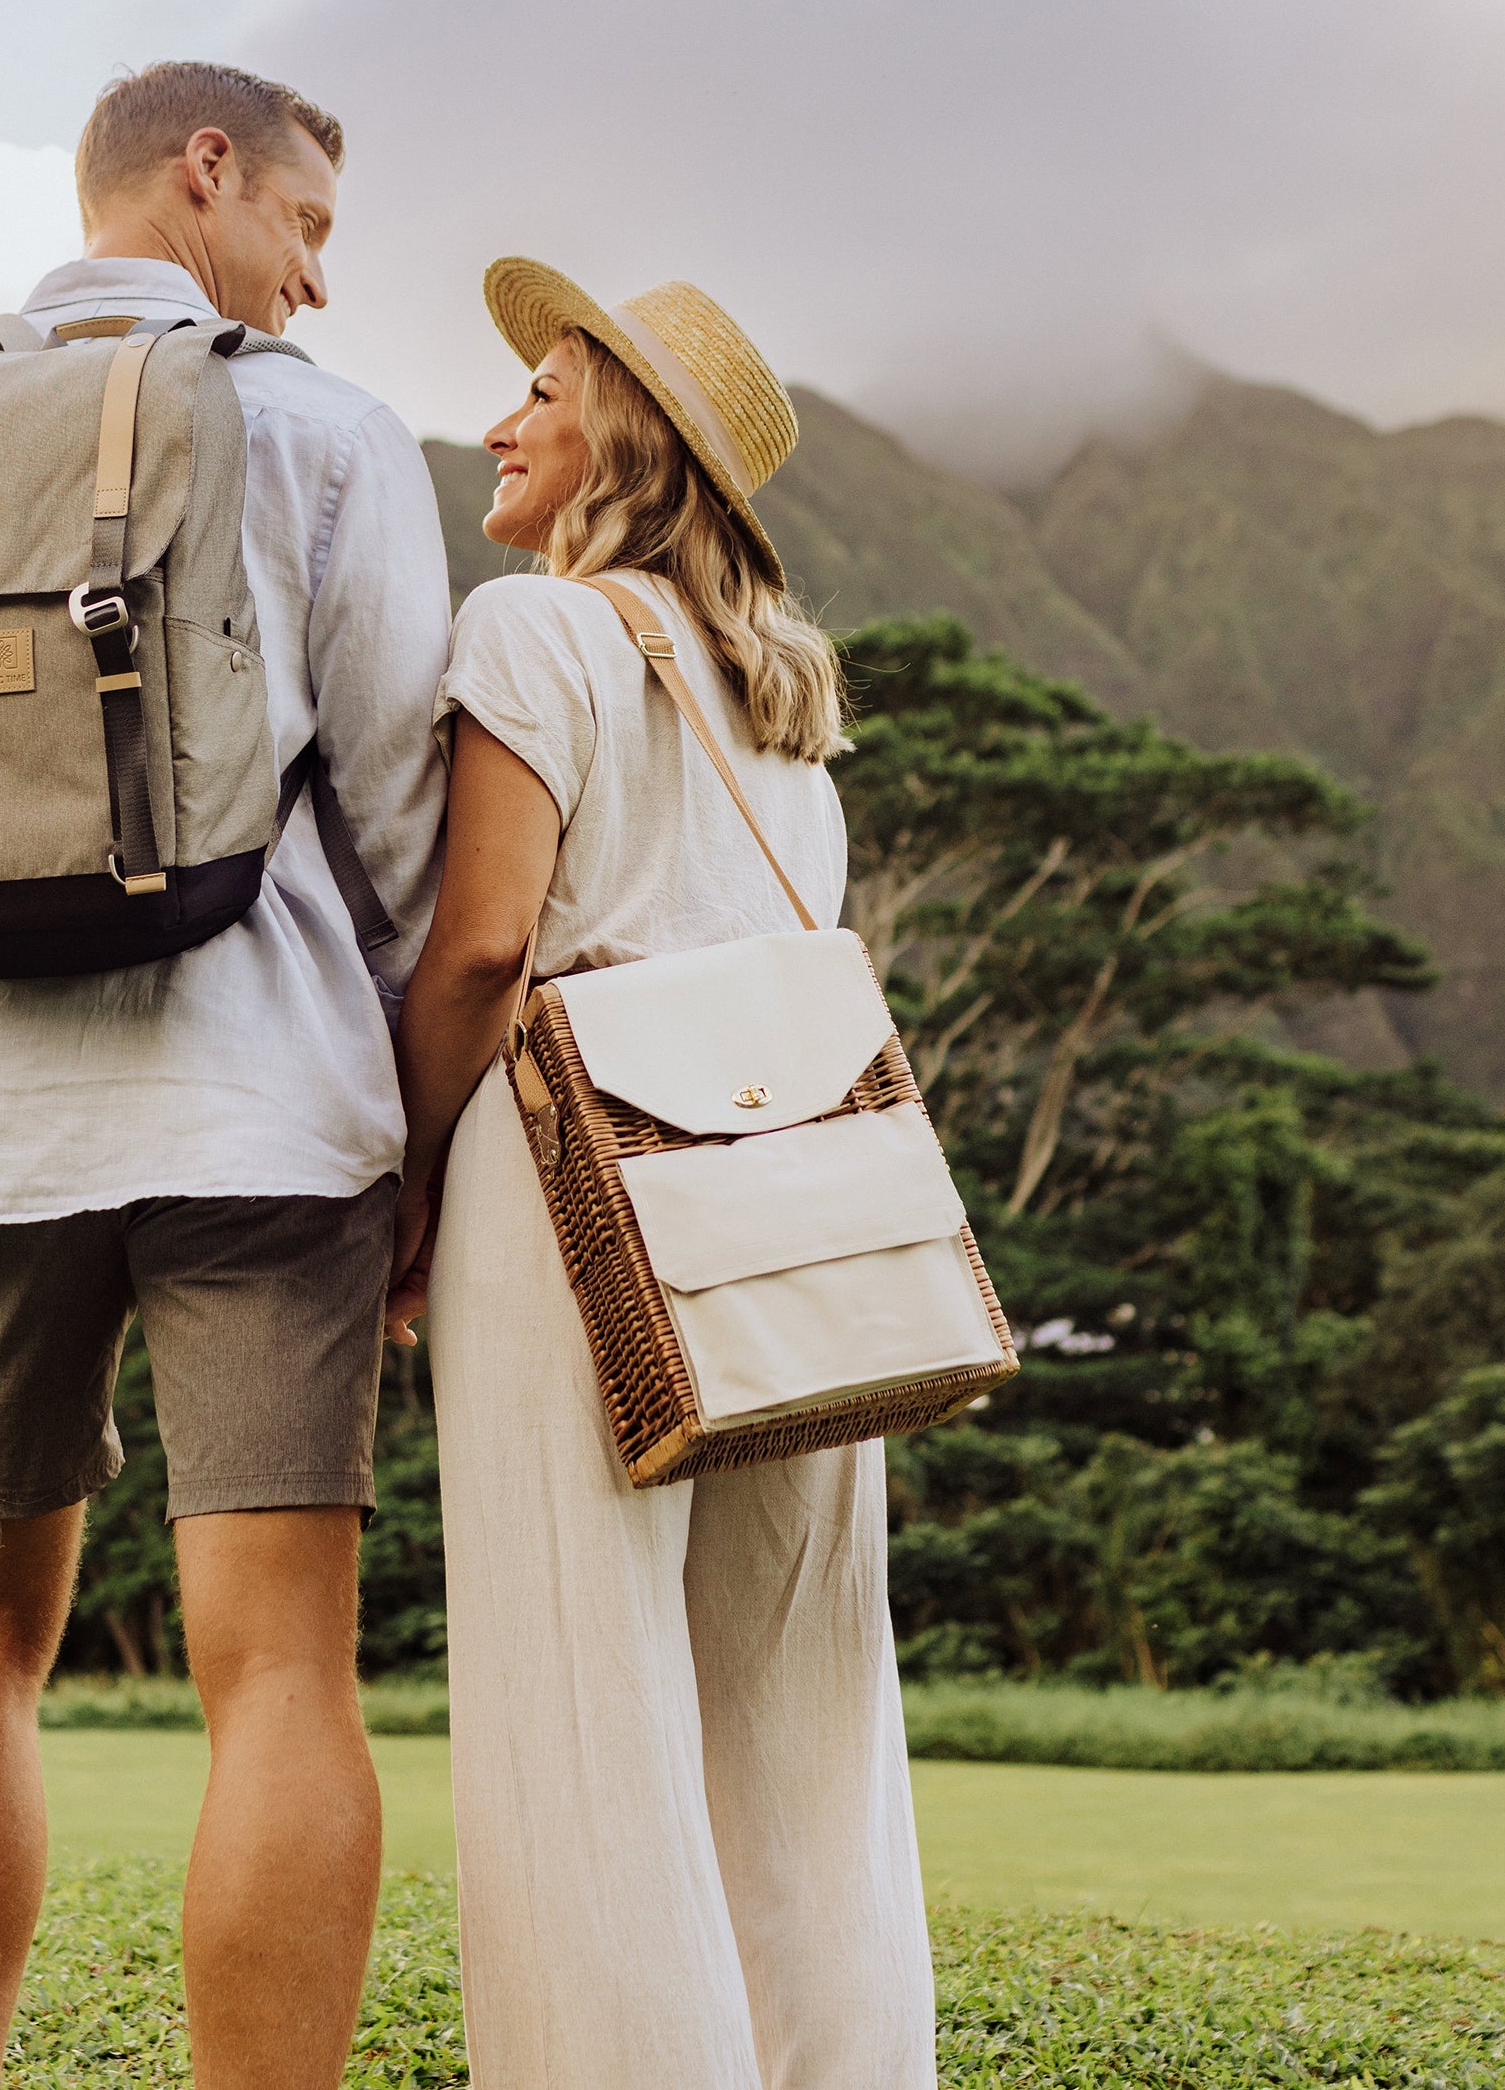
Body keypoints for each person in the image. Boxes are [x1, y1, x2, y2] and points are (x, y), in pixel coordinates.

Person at [0, 60, 451, 2090]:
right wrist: (425, 1161)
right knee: (280, 1666)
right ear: (206, 172)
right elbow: (402, 838)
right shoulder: (326, 433)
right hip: (270, 1119)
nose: (311, 281)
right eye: (306, 223)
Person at [386, 260, 937, 2085]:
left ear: (622, 433)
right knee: (806, 1713)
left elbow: (480, 949)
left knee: (584, 1696)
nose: (500, 421)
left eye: (540, 389)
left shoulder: (536, 637)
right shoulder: (794, 713)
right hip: (788, 1221)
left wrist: (399, 1194)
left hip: (570, 1200)